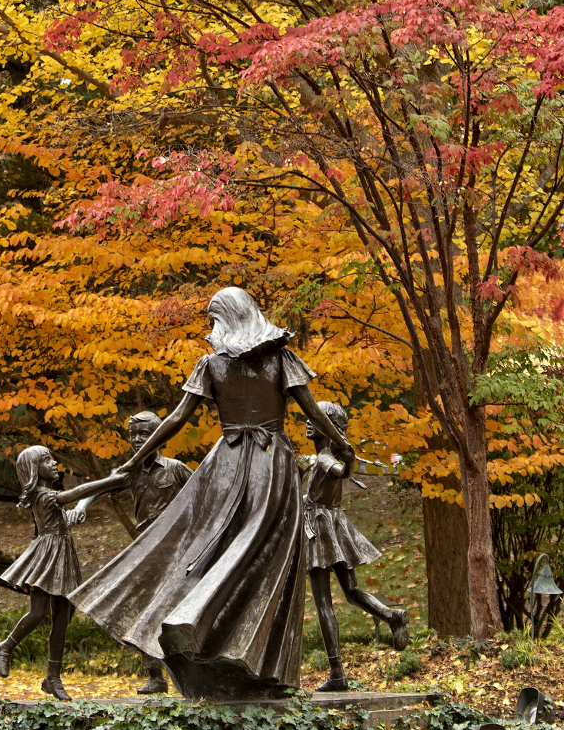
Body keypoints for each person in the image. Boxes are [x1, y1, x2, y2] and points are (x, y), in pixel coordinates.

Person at [62, 286, 355, 702]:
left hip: (227, 463)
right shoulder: (280, 359)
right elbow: (311, 410)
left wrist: (137, 457)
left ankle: (202, 627)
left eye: (213, 318)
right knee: (265, 557)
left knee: (219, 546)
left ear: (227, 318)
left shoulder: (213, 365)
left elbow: (178, 418)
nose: (210, 327)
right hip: (271, 463)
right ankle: (219, 636)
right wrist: (341, 443)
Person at [72, 411, 193, 695]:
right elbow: (100, 486)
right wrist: (80, 506)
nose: (138, 440)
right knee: (143, 611)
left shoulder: (176, 469)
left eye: (144, 434)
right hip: (146, 552)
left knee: (179, 613)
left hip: (178, 552)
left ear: (159, 434)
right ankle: (155, 675)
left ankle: (191, 672)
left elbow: (205, 495)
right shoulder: (131, 471)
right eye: (133, 436)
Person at [0, 446, 117, 700]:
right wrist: (108, 481)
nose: (53, 463)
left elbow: (65, 517)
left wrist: (84, 506)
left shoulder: (49, 495)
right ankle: (6, 647)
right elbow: (72, 495)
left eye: (52, 458)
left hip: (63, 559)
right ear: (33, 470)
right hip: (48, 560)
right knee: (38, 612)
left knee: (62, 617)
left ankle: (53, 677)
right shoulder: (42, 496)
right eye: (45, 460)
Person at [303, 403, 409, 692]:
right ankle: (391, 615)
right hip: (333, 524)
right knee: (350, 591)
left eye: (315, 419)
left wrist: (347, 463)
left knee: (323, 601)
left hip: (321, 527)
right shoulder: (324, 456)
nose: (308, 424)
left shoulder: (325, 457)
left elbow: (339, 471)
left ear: (328, 425)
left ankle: (337, 672)